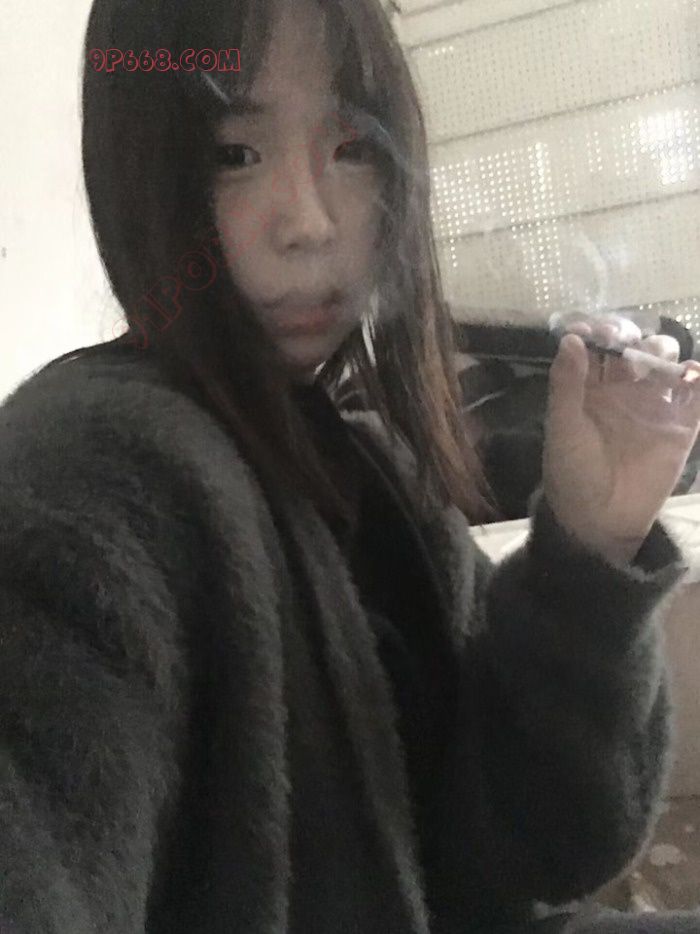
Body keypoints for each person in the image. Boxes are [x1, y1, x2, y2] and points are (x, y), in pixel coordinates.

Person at [1, 1, 700, 932]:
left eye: (353, 148)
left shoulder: (372, 468)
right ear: (137, 171)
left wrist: (590, 544)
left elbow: (548, 847)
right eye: (233, 154)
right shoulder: (83, 470)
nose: (310, 221)